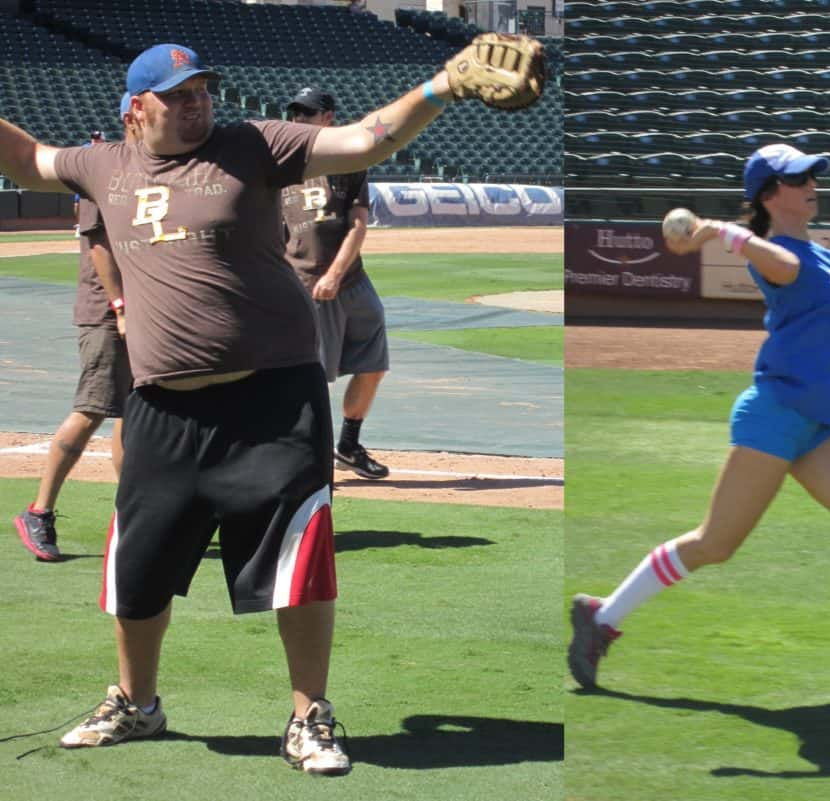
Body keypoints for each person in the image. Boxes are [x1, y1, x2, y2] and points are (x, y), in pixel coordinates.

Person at [0, 39, 540, 775]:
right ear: (135, 111)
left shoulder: (253, 144)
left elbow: (361, 140)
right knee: (136, 566)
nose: (197, 104)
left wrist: (441, 85)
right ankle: (136, 701)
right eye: (178, 95)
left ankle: (309, 712)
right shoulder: (104, 165)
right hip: (162, 405)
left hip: (274, 395)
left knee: (299, 559)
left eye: (203, 91)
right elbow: (29, 161)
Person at [568, 144, 830, 692]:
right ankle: (601, 619)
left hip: (812, 424)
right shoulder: (774, 253)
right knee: (716, 543)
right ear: (769, 196)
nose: (813, 182)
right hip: (774, 415)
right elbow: (779, 265)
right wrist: (723, 231)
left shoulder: (823, 257)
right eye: (798, 177)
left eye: (814, 173)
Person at [12, 95, 136, 562]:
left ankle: (132, 510)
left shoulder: (152, 171)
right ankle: (39, 509)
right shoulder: (102, 169)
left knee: (132, 412)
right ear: (132, 118)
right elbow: (99, 245)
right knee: (93, 407)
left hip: (140, 311)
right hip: (106, 311)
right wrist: (120, 306)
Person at [283, 87, 390, 480]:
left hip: (350, 280)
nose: (298, 120)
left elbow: (358, 225)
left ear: (327, 118)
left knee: (374, 364)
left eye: (307, 114)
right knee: (314, 376)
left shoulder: (350, 161)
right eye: (295, 113)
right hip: (304, 283)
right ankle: (303, 456)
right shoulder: (281, 163)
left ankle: (348, 443)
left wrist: (335, 273)